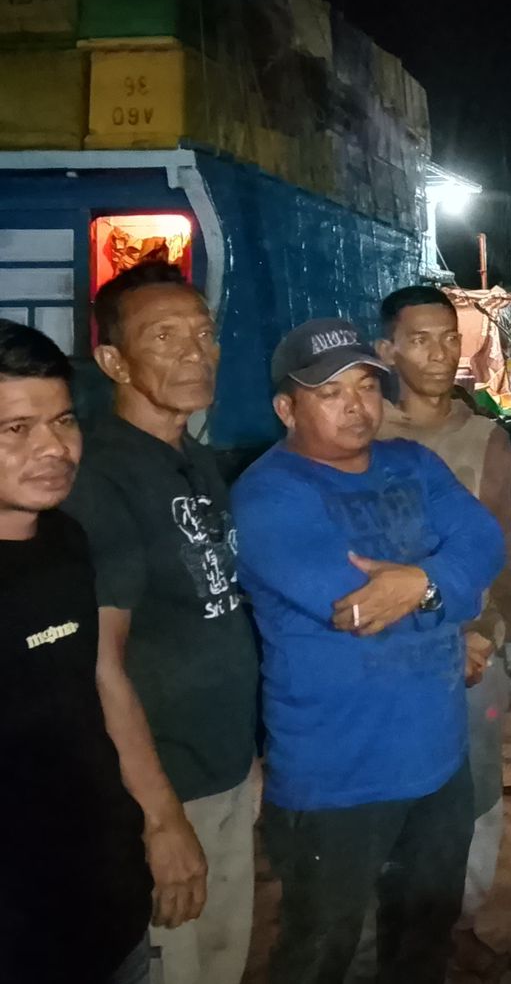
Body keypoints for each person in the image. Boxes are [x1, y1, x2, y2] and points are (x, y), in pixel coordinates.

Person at [233, 318, 504, 984]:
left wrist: (421, 584)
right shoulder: (268, 494)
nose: (355, 405)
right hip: (336, 776)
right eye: (330, 392)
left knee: (423, 944)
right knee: (320, 951)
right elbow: (354, 608)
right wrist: (446, 589)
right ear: (286, 409)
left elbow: (485, 543)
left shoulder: (413, 463)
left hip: (438, 762)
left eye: (365, 386)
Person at [64, 262, 259, 984]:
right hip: (163, 792)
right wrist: (159, 818)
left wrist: (246, 756)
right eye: (164, 337)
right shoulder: (100, 478)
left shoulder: (191, 458)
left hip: (223, 772)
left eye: (203, 334)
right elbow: (101, 663)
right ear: (114, 361)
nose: (194, 352)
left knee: (220, 965)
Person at [373, 285, 511, 974]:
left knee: (477, 793)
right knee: (385, 799)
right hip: (379, 662)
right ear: (387, 350)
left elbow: (508, 550)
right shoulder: (361, 430)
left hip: (469, 657)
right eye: (419, 340)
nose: (439, 354)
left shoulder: (485, 438)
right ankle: (387, 936)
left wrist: (489, 630)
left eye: (448, 338)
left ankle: (458, 923)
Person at [0, 320, 154, 984]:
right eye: (16, 429)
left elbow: (91, 694)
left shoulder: (65, 540)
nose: (53, 448)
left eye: (63, 421)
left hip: (107, 902)